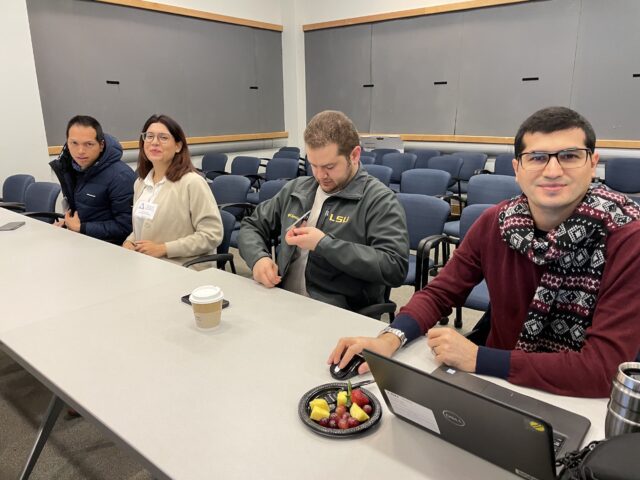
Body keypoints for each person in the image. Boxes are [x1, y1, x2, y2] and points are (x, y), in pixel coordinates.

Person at [329, 106, 640, 398]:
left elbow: (604, 370)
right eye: (537, 158)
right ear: (518, 168)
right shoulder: (496, 223)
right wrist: (390, 338)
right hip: (502, 384)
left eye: (570, 156)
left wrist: (481, 359)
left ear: (592, 163)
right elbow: (440, 292)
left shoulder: (627, 238)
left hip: (581, 398)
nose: (553, 170)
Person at [238, 110, 409, 312]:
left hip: (336, 312)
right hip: (283, 300)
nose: (320, 175)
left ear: (354, 155)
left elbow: (394, 266)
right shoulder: (297, 189)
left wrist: (324, 245)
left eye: (329, 166)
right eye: (313, 165)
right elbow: (251, 225)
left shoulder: (378, 200)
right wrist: (259, 258)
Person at [122, 114, 223, 265]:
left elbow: (212, 234)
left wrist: (164, 249)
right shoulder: (141, 183)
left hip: (183, 266)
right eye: (149, 136)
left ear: (178, 146)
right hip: (146, 263)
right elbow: (143, 225)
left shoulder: (192, 183)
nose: (154, 142)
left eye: (163, 137)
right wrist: (130, 241)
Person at [49, 115, 135, 244]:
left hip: (108, 247)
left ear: (101, 145)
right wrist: (67, 223)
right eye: (74, 143)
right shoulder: (72, 167)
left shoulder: (121, 176)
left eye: (89, 144)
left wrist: (81, 228)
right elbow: (86, 209)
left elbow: (127, 227)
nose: (80, 151)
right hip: (82, 239)